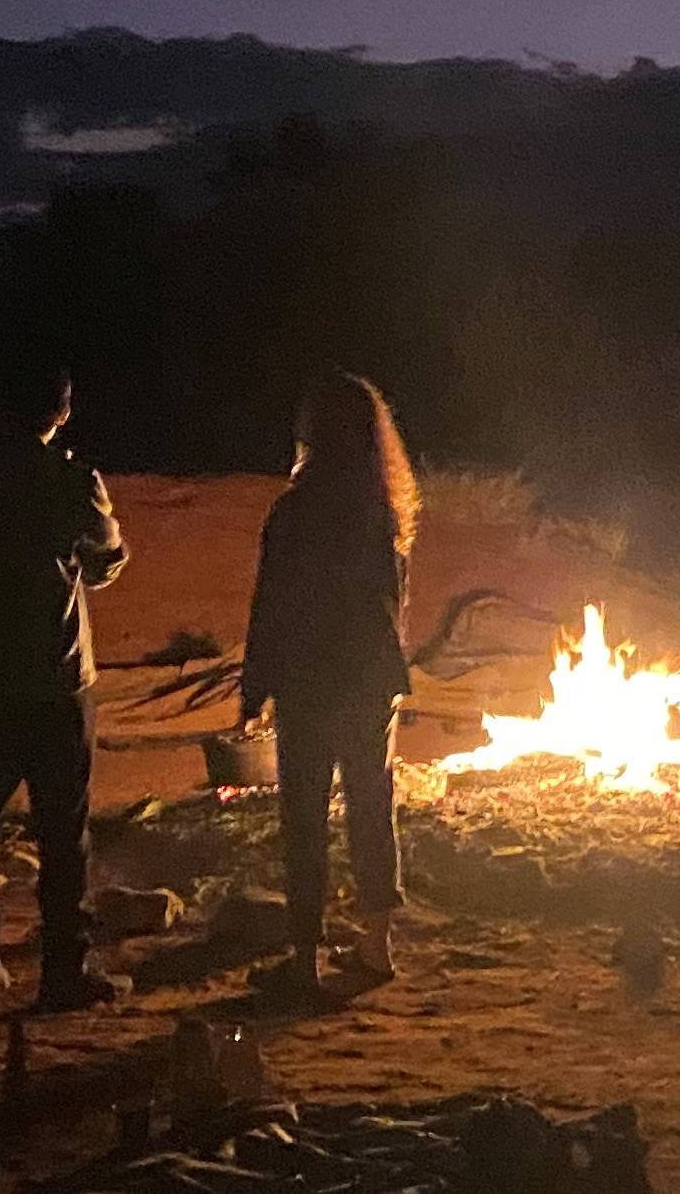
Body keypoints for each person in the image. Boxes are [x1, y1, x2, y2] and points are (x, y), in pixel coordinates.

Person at [0, 354, 128, 1010]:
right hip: (56, 676)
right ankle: (62, 969)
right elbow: (106, 558)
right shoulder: (73, 478)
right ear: (64, 410)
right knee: (62, 830)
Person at [239, 371, 417, 1003]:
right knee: (373, 807)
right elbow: (391, 603)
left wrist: (252, 687)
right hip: (368, 678)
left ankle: (306, 957)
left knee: (304, 816)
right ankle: (376, 946)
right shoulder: (382, 508)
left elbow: (271, 604)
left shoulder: (296, 509)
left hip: (309, 678)